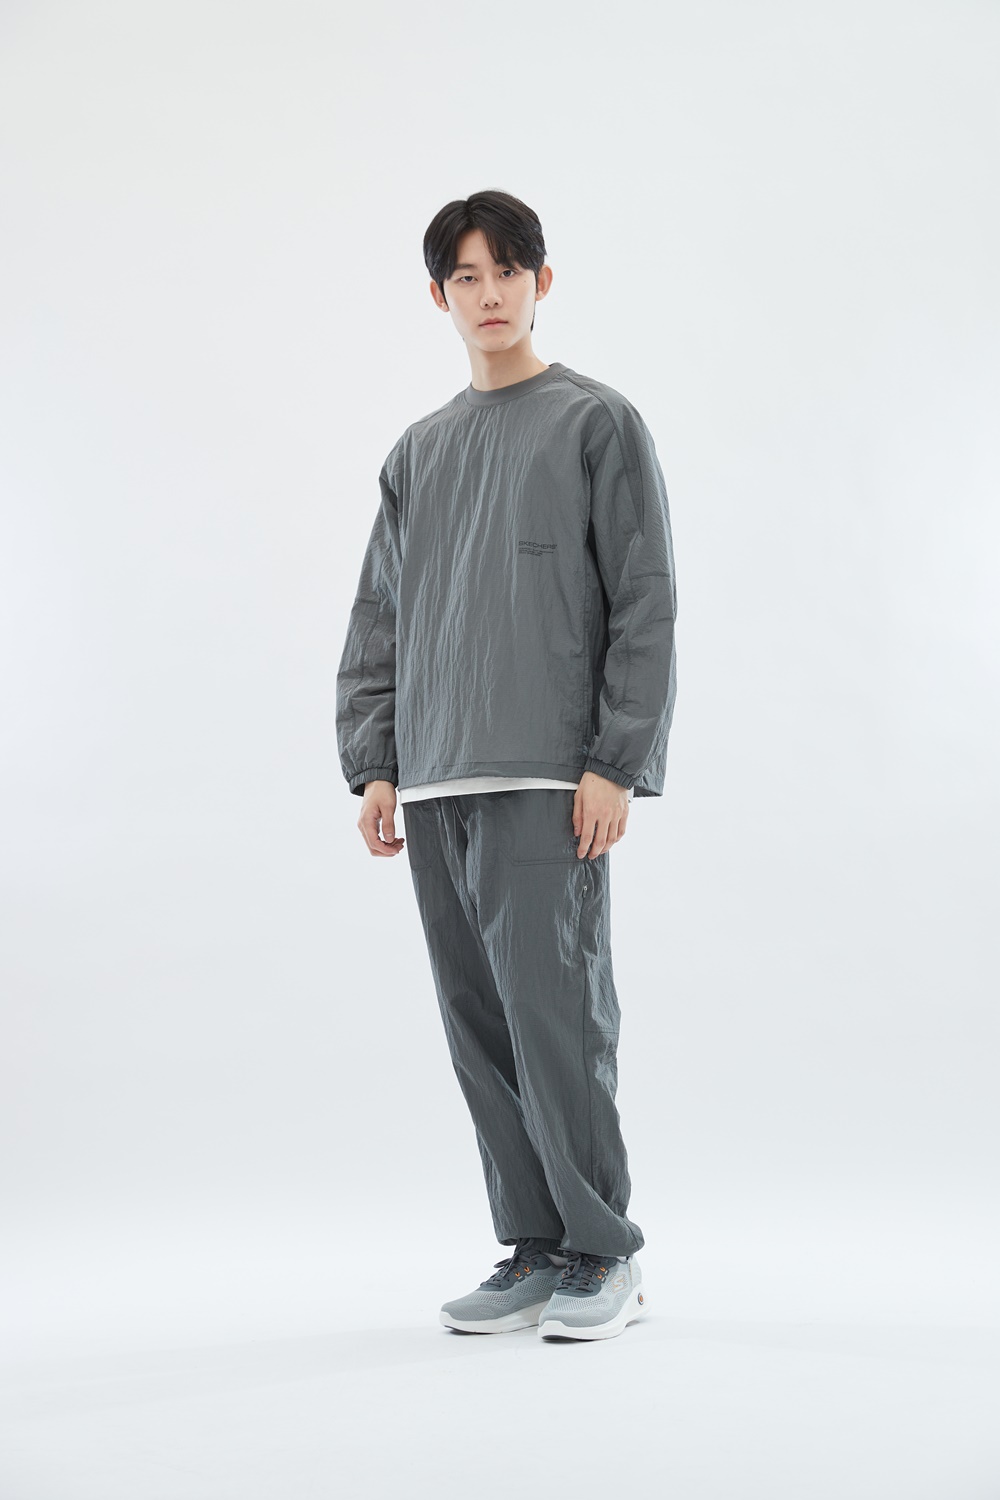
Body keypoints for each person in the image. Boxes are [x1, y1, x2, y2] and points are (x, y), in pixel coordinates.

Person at [336, 189, 678, 1342]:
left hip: (547, 776)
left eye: (508, 272)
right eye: (467, 277)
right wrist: (375, 762)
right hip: (437, 778)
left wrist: (616, 760)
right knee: (478, 1026)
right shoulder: (418, 451)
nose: (489, 295)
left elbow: (643, 600)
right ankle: (534, 1245)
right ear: (438, 295)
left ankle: (602, 1250)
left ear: (543, 280)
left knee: (554, 1014)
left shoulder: (595, 423)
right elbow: (381, 614)